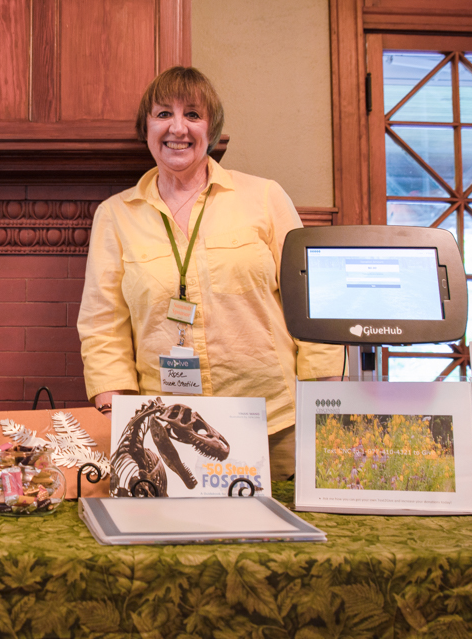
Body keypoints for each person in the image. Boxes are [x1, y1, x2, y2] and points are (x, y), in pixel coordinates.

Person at [76, 66, 343, 479]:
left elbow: (310, 300)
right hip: (167, 432)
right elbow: (102, 324)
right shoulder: (115, 215)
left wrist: (325, 402)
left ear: (212, 128)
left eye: (193, 115)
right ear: (145, 127)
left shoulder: (264, 197)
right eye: (163, 114)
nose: (177, 128)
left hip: (274, 421)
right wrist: (117, 413)